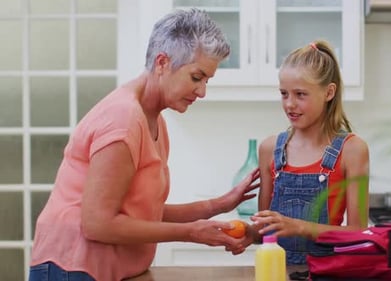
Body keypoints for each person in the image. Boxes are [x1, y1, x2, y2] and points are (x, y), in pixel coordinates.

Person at [28, 8, 260, 281]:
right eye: (196, 77)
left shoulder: (153, 120)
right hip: (71, 269)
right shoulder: (122, 120)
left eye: (207, 80)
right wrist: (191, 232)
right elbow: (98, 224)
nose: (202, 91)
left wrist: (218, 205)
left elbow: (140, 213)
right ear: (162, 63)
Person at [248, 40, 370, 265]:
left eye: (300, 94)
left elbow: (358, 233)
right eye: (284, 94)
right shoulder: (269, 149)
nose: (289, 104)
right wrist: (243, 233)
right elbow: (263, 231)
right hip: (277, 272)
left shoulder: (353, 150)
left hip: (327, 272)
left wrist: (299, 227)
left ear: (329, 92)